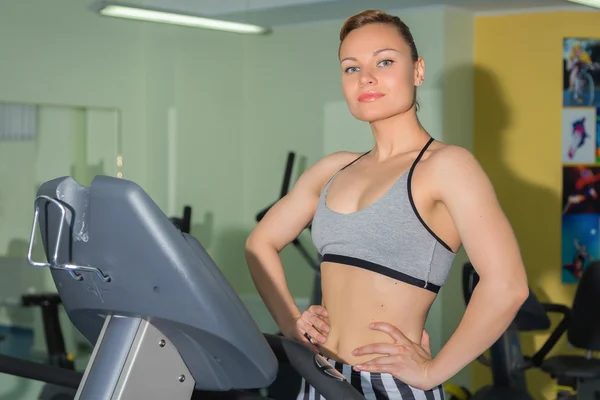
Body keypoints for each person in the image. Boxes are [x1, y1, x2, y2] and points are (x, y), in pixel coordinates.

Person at [245, 9, 529, 400]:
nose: (366, 77)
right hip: (319, 378)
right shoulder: (332, 169)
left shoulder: (447, 166)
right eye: (351, 68)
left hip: (390, 386)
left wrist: (433, 371)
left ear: (418, 70)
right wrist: (290, 322)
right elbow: (260, 244)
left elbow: (507, 285)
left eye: (385, 61)